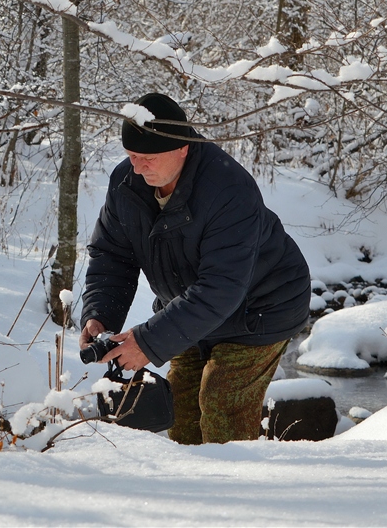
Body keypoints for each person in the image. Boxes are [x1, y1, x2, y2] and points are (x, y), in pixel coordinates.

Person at [79, 93, 311, 445]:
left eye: (148, 158)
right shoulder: (126, 184)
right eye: (132, 156)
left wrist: (147, 341)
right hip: (190, 307)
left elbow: (222, 287)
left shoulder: (228, 189)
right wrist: (101, 316)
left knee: (219, 405)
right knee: (183, 413)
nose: (138, 168)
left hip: (262, 309)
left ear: (182, 148)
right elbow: (112, 257)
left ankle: (238, 493)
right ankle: (191, 495)